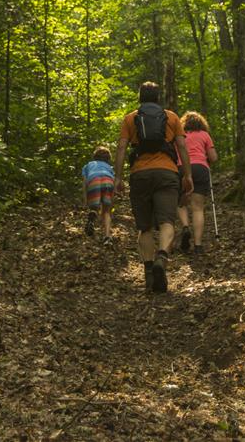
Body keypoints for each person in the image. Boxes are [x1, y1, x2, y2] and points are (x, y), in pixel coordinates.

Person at [114, 81, 192, 293]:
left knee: (144, 227)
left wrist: (118, 177)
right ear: (158, 97)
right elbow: (182, 146)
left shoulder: (130, 118)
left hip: (140, 175)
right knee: (167, 221)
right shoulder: (172, 117)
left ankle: (149, 272)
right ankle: (162, 257)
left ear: (140, 97)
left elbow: (121, 147)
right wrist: (187, 175)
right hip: (167, 174)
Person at [176, 111, 217, 255]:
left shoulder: (180, 136)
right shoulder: (205, 135)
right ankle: (198, 245)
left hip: (182, 168)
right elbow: (213, 157)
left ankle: (186, 226)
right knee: (198, 208)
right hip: (200, 168)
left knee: (181, 203)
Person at [81, 146, 116, 245]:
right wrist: (112, 201)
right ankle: (107, 237)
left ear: (95, 156)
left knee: (94, 207)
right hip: (108, 181)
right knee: (106, 211)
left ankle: (92, 213)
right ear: (108, 158)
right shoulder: (109, 167)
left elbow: (84, 184)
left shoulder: (88, 165)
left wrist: (85, 198)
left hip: (94, 180)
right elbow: (112, 181)